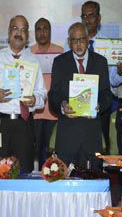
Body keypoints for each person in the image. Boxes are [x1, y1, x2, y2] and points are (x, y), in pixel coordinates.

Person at [0, 15, 45, 169]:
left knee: (24, 172)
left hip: (24, 125)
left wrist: (35, 100)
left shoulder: (33, 60)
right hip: (0, 124)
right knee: (0, 171)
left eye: (23, 30)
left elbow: (42, 93)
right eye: (15, 28)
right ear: (9, 31)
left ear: (27, 36)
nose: (18, 33)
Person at [49, 22, 114, 170]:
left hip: (91, 134)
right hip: (67, 135)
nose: (78, 44)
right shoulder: (59, 62)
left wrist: (99, 107)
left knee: (92, 181)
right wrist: (62, 105)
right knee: (65, 183)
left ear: (88, 40)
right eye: (74, 40)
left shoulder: (100, 62)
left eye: (82, 39)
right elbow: (53, 95)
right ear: (69, 42)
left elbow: (106, 95)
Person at [81, 0, 122, 154]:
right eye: (84, 16)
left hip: (101, 104)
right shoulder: (72, 42)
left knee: (100, 149)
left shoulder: (108, 44)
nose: (87, 20)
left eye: (91, 15)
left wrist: (119, 72)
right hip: (78, 103)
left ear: (99, 18)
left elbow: (113, 81)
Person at [30, 17, 64, 165]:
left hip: (53, 111)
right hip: (35, 111)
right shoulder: (28, 53)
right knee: (34, 151)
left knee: (53, 152)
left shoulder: (60, 52)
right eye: (39, 29)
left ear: (50, 32)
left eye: (46, 29)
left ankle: (52, 179)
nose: (42, 32)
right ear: (34, 33)